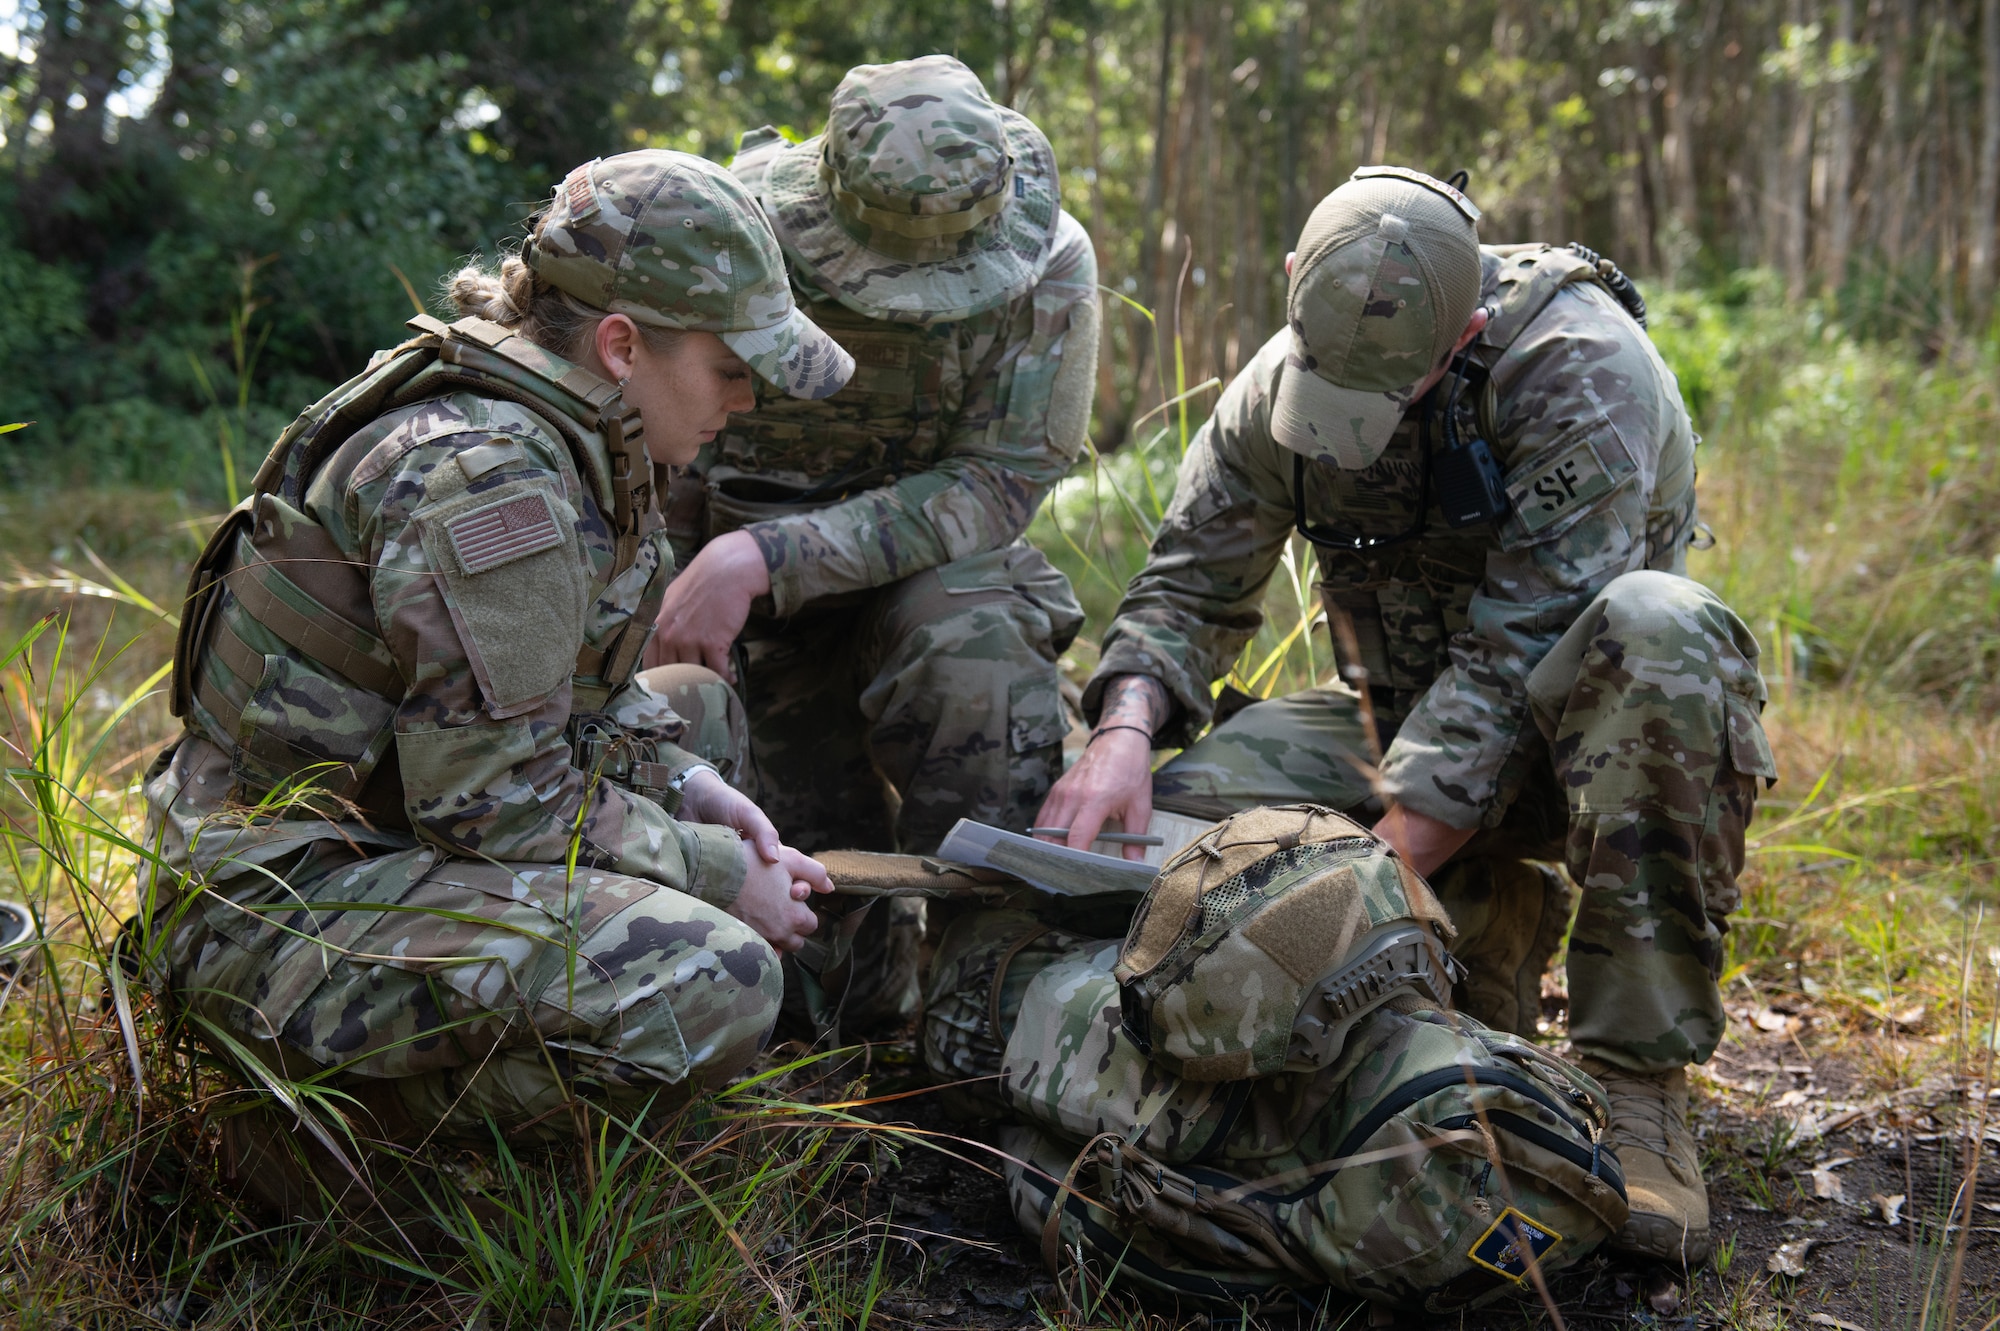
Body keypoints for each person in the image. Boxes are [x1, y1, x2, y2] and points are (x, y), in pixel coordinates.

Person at [1036, 167, 1777, 1265]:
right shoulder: (1271, 387)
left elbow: (1511, 666)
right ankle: (1479, 916)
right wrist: (1123, 732)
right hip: (1386, 723)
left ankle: (1633, 1078)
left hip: (1576, 746)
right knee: (1179, 843)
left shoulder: (1581, 376)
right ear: (1291, 283)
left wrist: (1340, 905)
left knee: (1664, 627)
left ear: (1466, 326)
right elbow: (1191, 585)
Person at [143, 149, 856, 1147]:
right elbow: (486, 796)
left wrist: (687, 781)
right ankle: (332, 1139)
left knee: (694, 708)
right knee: (722, 978)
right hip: (272, 910)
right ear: (620, 345)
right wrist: (710, 870)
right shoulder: (489, 475)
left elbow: (573, 701)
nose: (742, 403)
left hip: (375, 829)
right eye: (730, 370)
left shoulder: (574, 430)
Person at [642, 55, 1099, 1027]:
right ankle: (871, 999)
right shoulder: (730, 243)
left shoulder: (1051, 265)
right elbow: (650, 453)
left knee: (976, 637)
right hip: (743, 634)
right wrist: (656, 599)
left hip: (922, 601)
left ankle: (992, 998)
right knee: (825, 990)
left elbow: (1001, 483)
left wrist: (769, 555)